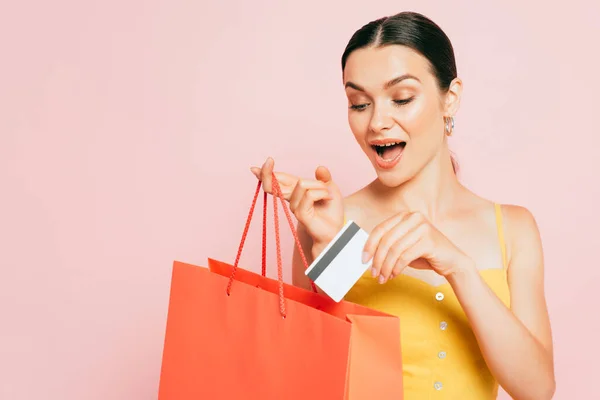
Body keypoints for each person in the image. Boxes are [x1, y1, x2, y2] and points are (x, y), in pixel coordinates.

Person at [250, 11, 555, 400]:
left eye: (402, 98)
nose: (378, 122)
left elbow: (537, 389)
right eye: (359, 104)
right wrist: (330, 245)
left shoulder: (512, 228)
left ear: (451, 98)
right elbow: (309, 369)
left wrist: (458, 267)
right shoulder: (331, 221)